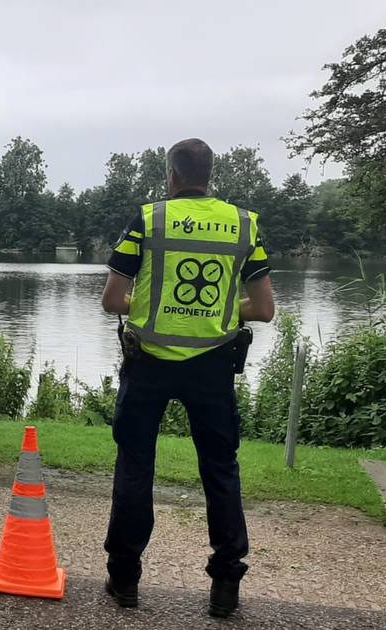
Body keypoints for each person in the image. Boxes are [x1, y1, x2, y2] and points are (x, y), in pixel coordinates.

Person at [99, 138, 275, 618]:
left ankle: (125, 579)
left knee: (135, 466)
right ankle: (225, 588)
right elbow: (263, 309)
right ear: (209, 175)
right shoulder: (243, 225)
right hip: (213, 368)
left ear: (171, 176)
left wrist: (160, 309)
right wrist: (215, 310)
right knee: (220, 469)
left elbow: (114, 300)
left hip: (149, 363)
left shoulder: (150, 218)